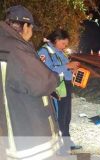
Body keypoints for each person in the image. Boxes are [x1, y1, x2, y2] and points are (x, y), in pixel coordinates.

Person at [0, 5, 61, 159]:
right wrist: (56, 78)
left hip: (10, 123)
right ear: (26, 26)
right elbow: (41, 82)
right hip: (27, 127)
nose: (32, 33)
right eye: (32, 28)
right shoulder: (16, 49)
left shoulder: (4, 45)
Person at [37, 29, 81, 150]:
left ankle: (67, 141)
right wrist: (67, 66)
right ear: (56, 40)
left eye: (66, 45)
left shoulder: (60, 51)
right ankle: (60, 144)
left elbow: (62, 68)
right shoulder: (45, 51)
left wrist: (71, 69)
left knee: (66, 116)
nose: (64, 47)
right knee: (59, 116)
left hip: (66, 85)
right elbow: (45, 70)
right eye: (63, 44)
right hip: (56, 88)